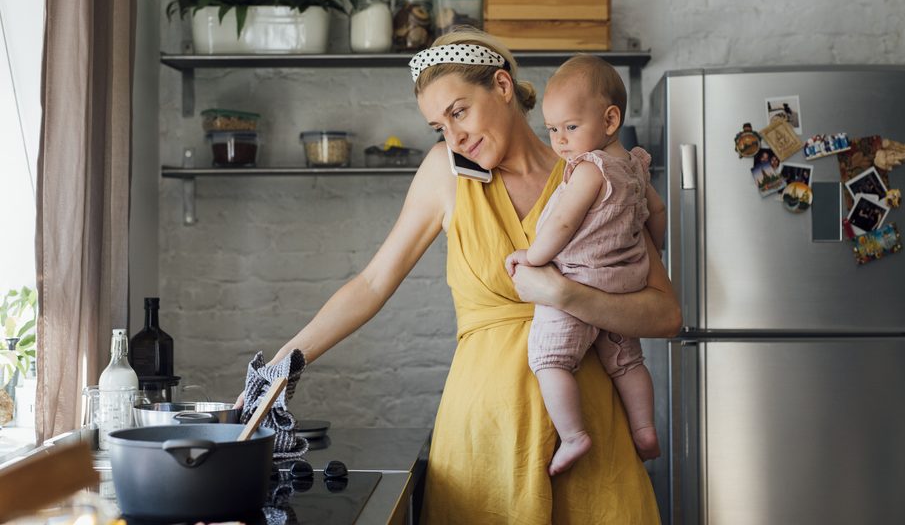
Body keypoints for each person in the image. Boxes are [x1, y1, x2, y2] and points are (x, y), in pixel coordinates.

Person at [249, 29, 682, 523]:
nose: (454, 137)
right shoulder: (446, 172)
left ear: (502, 86)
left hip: (590, 437)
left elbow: (666, 315)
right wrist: (278, 370)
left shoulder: (596, 173)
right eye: (439, 126)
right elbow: (371, 284)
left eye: (459, 112)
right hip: (485, 437)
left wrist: (564, 294)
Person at [504, 55, 666, 476]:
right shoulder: (634, 166)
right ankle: (645, 428)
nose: (559, 141)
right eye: (552, 129)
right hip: (624, 285)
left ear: (610, 120)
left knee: (549, 360)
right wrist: (656, 251)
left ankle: (573, 435)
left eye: (570, 127)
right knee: (627, 362)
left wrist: (533, 257)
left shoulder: (589, 169)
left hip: (578, 278)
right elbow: (659, 211)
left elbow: (562, 222)